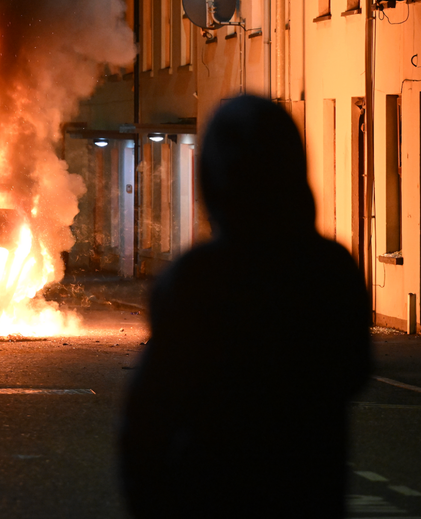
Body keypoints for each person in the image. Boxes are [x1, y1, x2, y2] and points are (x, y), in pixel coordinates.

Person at [119, 95, 372, 519]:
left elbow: (148, 417)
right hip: (308, 494)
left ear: (214, 182)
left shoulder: (196, 278)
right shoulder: (331, 268)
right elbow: (353, 372)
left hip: (212, 496)